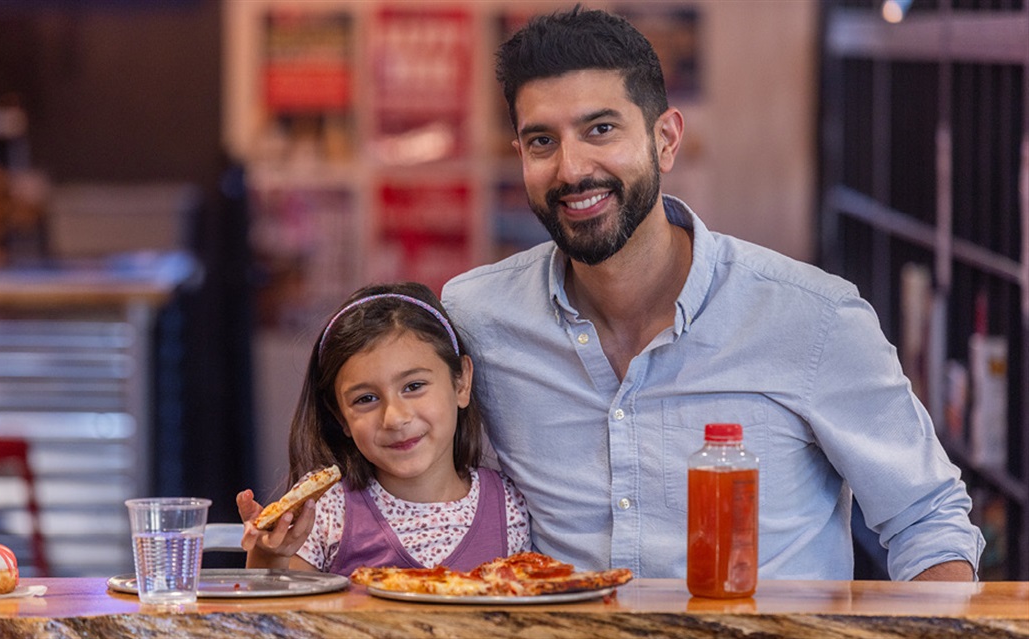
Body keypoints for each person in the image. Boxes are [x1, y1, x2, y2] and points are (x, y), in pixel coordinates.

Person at [441, 6, 983, 582]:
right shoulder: (478, 319)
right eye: (542, 141)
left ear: (666, 139)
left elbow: (927, 520)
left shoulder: (815, 318)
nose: (572, 169)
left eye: (601, 129)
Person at [236, 282, 529, 575]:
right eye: (366, 399)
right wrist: (268, 556)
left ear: (461, 382)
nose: (394, 418)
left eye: (414, 386)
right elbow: (276, 617)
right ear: (340, 417)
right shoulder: (325, 509)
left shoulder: (510, 504)